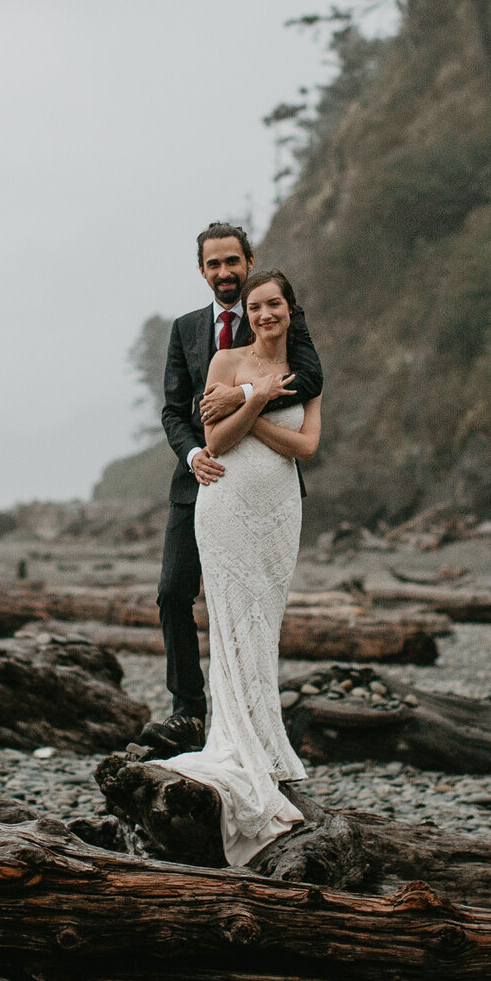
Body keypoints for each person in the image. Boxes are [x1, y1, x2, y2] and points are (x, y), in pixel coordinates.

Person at [156, 265, 322, 863]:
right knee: (230, 624)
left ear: (289, 308)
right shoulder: (225, 362)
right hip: (224, 503)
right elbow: (217, 441)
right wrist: (257, 399)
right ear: (245, 315)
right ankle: (238, 742)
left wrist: (254, 406)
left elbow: (307, 447)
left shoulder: (305, 371)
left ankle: (268, 743)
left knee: (265, 624)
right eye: (255, 308)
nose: (264, 316)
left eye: (273, 305)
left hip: (278, 510)